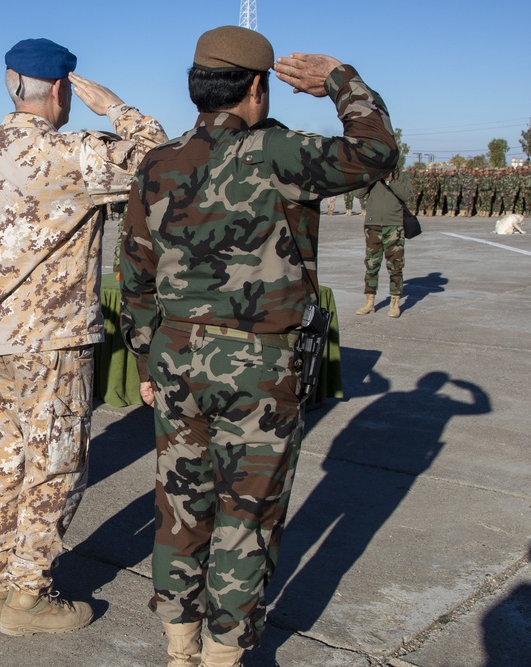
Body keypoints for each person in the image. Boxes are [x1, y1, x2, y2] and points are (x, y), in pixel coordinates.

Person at [119, 26, 399, 667]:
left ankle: (179, 648)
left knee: (181, 504)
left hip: (176, 359)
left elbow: (133, 267)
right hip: (258, 364)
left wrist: (144, 358)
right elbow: (377, 151)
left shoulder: (160, 161)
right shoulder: (277, 151)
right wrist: (338, 79)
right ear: (257, 87)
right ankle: (224, 654)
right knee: (247, 514)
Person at [0, 38, 167, 635]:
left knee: (1, 463)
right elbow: (161, 160)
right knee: (55, 467)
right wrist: (116, 108)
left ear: (11, 84)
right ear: (61, 89)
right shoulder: (74, 155)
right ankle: (30, 597)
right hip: (53, 343)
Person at [355, 168, 414, 318]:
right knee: (371, 265)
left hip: (394, 225)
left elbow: (408, 194)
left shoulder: (402, 176)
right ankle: (369, 302)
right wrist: (368, 177)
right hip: (373, 225)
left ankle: (395, 302)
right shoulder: (373, 176)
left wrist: (390, 180)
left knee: (395, 265)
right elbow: (358, 194)